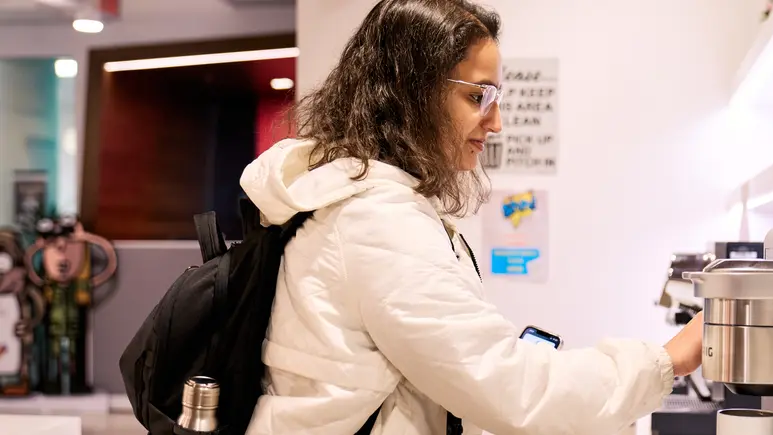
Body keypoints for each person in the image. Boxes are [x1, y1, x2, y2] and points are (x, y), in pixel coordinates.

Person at [241, 0, 704, 434]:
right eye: (479, 96)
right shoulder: (377, 222)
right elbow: (511, 388)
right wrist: (666, 361)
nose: (496, 122)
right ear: (412, 91)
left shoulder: (357, 202)